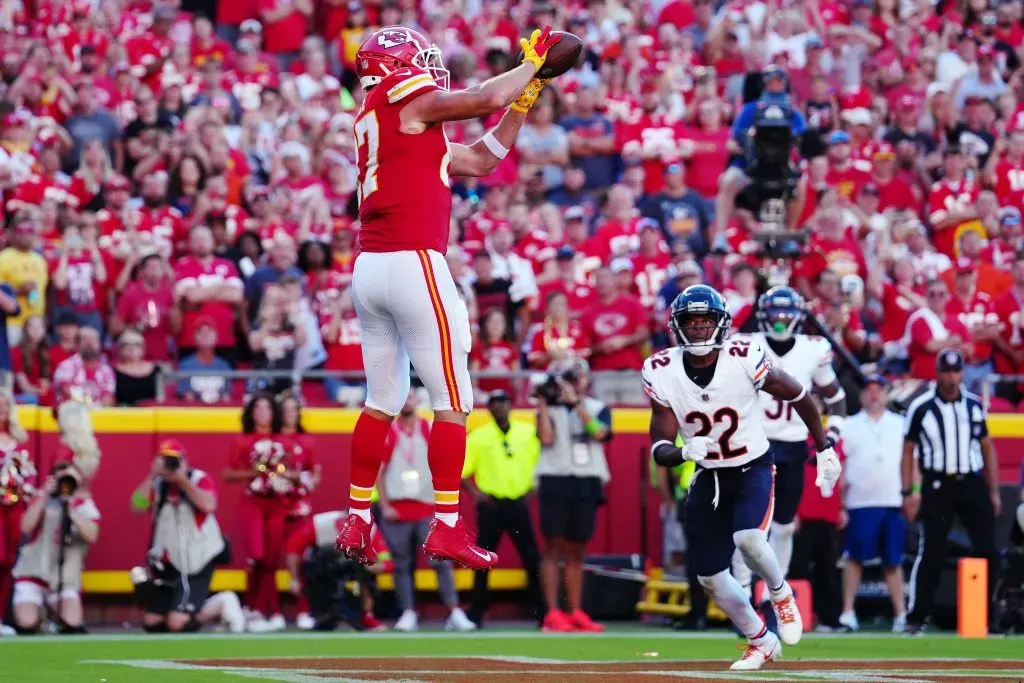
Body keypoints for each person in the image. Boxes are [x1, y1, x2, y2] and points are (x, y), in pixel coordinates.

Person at [336, 25, 564, 570]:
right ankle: (445, 525)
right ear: (397, 66)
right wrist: (531, 62)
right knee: (455, 397)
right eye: (420, 60)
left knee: (383, 398)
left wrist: (526, 98)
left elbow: (484, 159)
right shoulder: (401, 97)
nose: (430, 70)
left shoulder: (388, 120)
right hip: (414, 260)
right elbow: (486, 96)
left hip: (370, 269)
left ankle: (358, 519)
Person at [644, 285, 840, 670]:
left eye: (706, 321)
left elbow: (799, 394)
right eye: (691, 322)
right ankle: (759, 639)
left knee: (749, 539)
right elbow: (658, 446)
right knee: (711, 578)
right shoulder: (660, 369)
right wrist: (683, 452)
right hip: (708, 475)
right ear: (677, 326)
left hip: (752, 466)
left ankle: (781, 595)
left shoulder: (744, 357)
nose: (699, 329)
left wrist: (823, 447)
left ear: (721, 324)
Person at [733, 286, 847, 595]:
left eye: (786, 313)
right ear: (762, 315)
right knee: (749, 527)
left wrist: (829, 438)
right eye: (774, 313)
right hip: (754, 445)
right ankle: (742, 589)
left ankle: (775, 592)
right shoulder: (745, 345)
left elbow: (837, 399)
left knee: (784, 524)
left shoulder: (813, 348)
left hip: (795, 445)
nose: (780, 320)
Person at [902, 349, 1002, 636]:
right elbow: (908, 451)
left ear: (961, 373)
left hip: (971, 480)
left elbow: (987, 448)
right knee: (932, 550)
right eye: (946, 371)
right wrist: (910, 491)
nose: (951, 377)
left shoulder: (973, 405)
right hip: (938, 483)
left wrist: (993, 491)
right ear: (938, 372)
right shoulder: (921, 407)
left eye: (956, 371)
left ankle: (988, 616)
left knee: (987, 550)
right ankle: (916, 617)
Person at [374, 389, 476, 632]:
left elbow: (444, 462)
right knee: (401, 564)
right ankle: (408, 612)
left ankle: (453, 611)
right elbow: (379, 470)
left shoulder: (429, 429)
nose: (406, 402)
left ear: (418, 401)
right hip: (398, 508)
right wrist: (385, 505)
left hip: (427, 507)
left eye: (410, 397)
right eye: (403, 397)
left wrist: (443, 506)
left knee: (440, 561)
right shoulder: (390, 431)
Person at [129, 439, 245, 633]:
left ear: (185, 461)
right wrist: (151, 476)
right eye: (166, 460)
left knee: (177, 623)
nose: (171, 466)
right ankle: (192, 607)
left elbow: (208, 505)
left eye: (174, 460)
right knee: (152, 622)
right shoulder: (158, 484)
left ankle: (223, 602)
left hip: (197, 558)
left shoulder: (198, 478)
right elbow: (137, 506)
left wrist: (182, 481)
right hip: (169, 560)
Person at [534, 359, 610, 633]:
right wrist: (543, 405)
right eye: (568, 378)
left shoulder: (596, 408)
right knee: (552, 546)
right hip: (555, 478)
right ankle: (553, 612)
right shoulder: (549, 409)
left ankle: (576, 610)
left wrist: (577, 405)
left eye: (577, 378)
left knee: (578, 548)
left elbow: (600, 434)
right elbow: (545, 439)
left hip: (586, 479)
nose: (574, 383)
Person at [11, 401, 101, 634]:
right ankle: (40, 611)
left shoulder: (82, 501)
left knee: (72, 622)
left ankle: (55, 610)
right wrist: (44, 495)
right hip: (36, 566)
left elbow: (92, 534)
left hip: (64, 571)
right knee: (26, 622)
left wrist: (70, 506)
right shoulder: (45, 495)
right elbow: (26, 527)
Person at [463, 390, 543, 626]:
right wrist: (477, 495)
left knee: (531, 557)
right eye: (495, 404)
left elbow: (541, 463)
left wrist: (533, 490)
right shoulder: (479, 436)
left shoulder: (527, 432)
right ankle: (477, 610)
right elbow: (464, 472)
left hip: (519, 502)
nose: (500, 407)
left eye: (504, 403)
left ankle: (541, 609)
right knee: (483, 558)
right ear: (489, 408)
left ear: (511, 406)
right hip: (492, 505)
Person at [223, 393, 300, 632]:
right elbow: (228, 474)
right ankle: (254, 607)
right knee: (255, 555)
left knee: (271, 559)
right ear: (251, 412)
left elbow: (297, 473)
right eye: (258, 408)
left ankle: (271, 610)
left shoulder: (285, 441)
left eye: (268, 408)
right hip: (253, 502)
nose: (263, 412)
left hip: (277, 503)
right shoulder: (242, 440)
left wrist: (283, 475)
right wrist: (257, 473)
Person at [838, 375, 907, 633]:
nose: (874, 394)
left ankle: (901, 614)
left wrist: (914, 492)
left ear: (887, 394)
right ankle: (848, 611)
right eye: (869, 390)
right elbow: (842, 465)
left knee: (893, 560)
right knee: (854, 558)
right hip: (859, 500)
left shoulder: (900, 424)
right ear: (861, 395)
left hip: (892, 499)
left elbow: (912, 461)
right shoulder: (848, 425)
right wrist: (841, 503)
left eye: (879, 390)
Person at [283, 510, 389, 632]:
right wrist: (294, 578)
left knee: (367, 574)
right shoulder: (321, 524)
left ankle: (366, 616)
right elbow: (293, 546)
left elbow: (387, 560)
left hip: (354, 567)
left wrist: (378, 566)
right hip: (324, 567)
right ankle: (319, 613)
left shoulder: (371, 530)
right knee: (314, 567)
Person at [0, 389, 33, 636]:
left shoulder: (19, 440)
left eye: (4, 406)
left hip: (14, 507)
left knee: (9, 561)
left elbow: (29, 474)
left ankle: (1, 617)